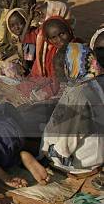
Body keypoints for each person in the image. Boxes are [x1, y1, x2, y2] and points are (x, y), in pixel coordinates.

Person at [37, 43, 104, 173]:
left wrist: (51, 152)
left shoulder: (79, 95)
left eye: (60, 67)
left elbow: (68, 138)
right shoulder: (92, 81)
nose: (56, 72)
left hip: (84, 161)